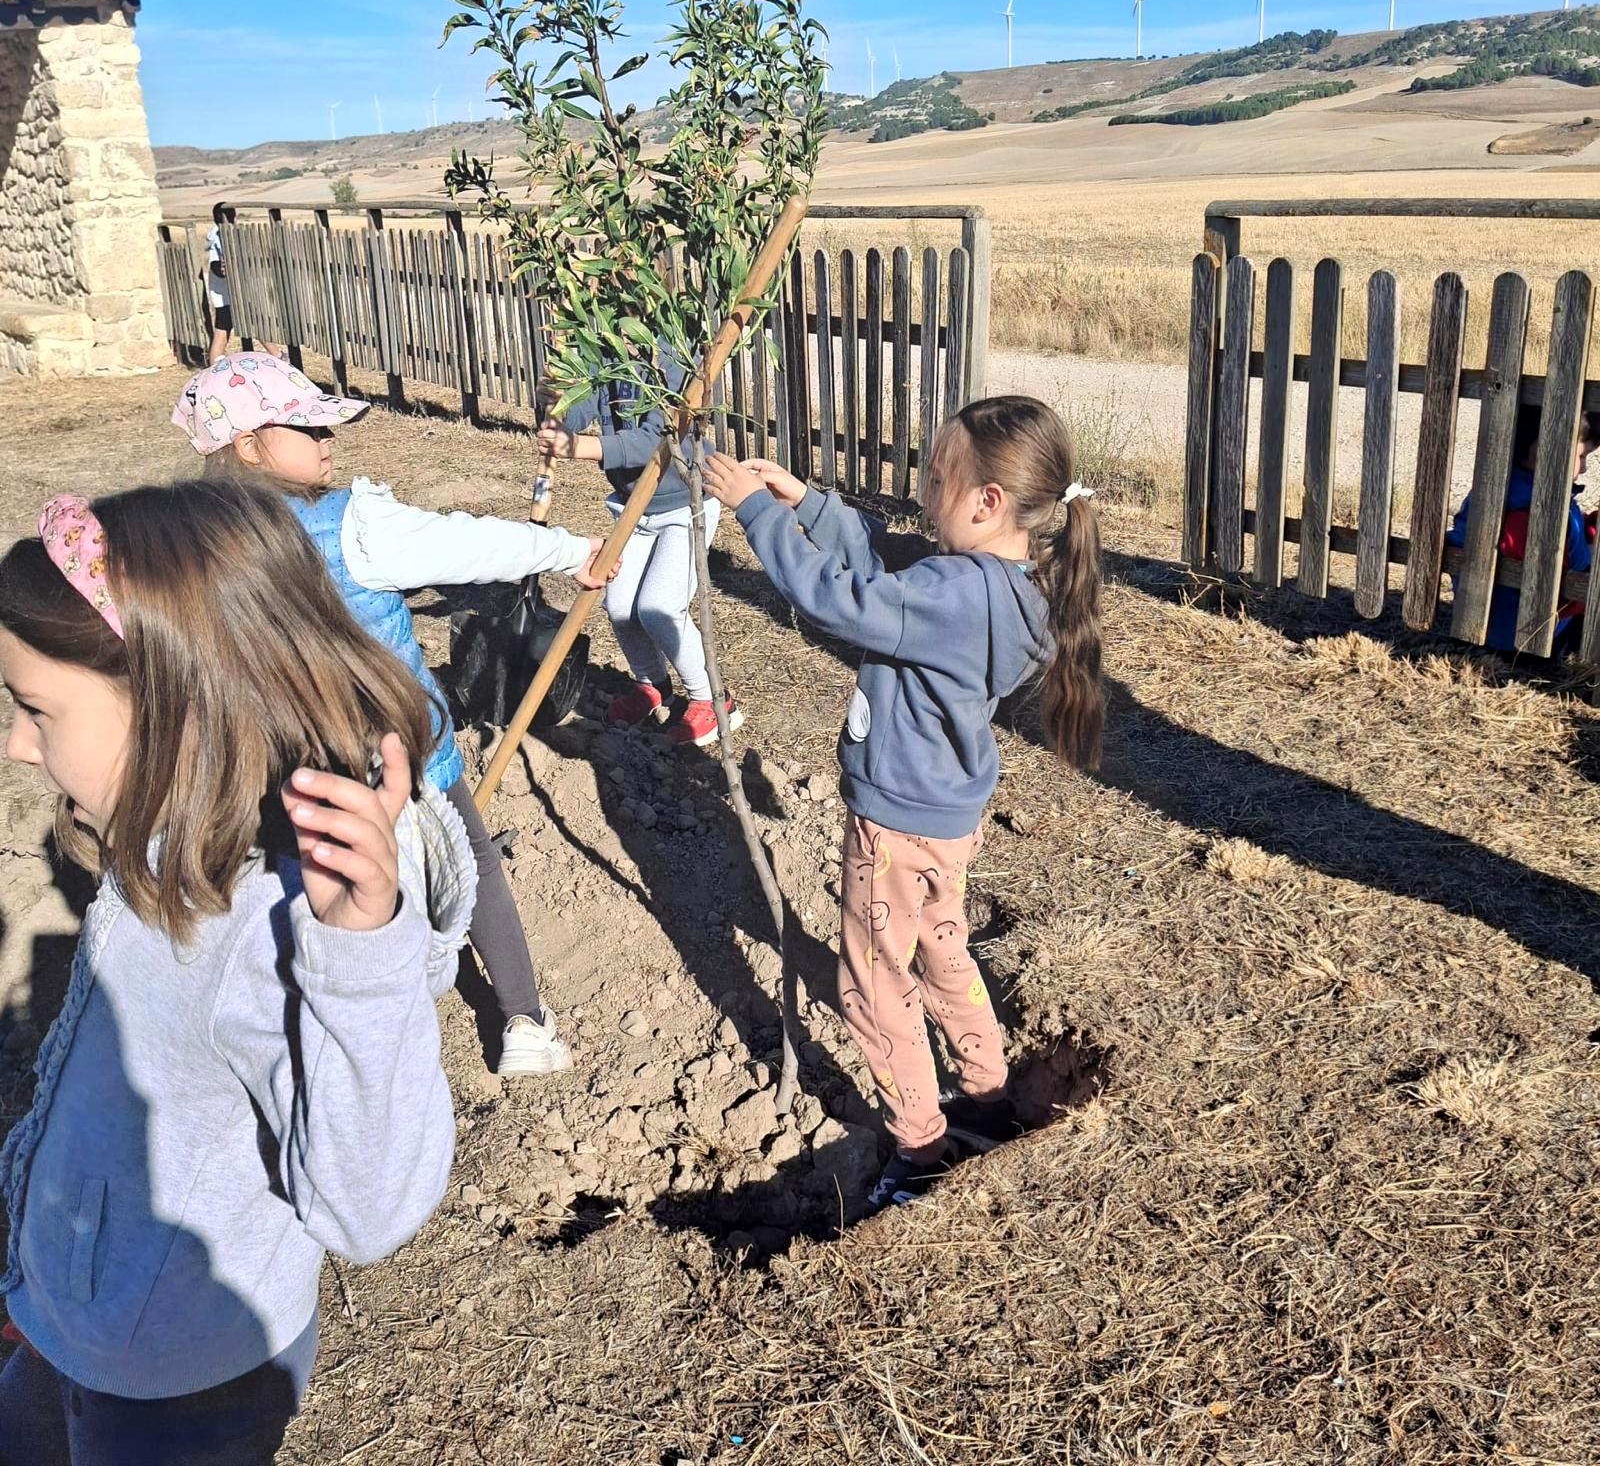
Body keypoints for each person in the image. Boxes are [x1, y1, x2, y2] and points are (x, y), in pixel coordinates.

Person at [0, 478, 476, 1463]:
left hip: (172, 1388)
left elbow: (370, 1207)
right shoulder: (176, 831)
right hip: (81, 1315)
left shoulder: (274, 920)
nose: (14, 742)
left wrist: (360, 955)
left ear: (180, 702)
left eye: (36, 710)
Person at [702, 394, 1104, 1212]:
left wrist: (756, 514)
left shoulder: (951, 597)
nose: (923, 494)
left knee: (874, 986)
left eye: (935, 479)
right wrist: (808, 504)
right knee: (942, 954)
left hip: (891, 825)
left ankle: (918, 1148)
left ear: (986, 502)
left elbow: (840, 599)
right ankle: (987, 1099)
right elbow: (886, 569)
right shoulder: (1014, 590)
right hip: (946, 822)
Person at [173, 354, 602, 1076]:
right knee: (475, 864)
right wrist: (571, 551)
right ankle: (524, 1020)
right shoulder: (352, 527)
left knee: (333, 890)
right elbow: (466, 542)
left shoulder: (204, 545)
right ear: (248, 445)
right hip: (405, 749)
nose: (326, 438)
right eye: (305, 426)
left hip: (295, 764)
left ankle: (342, 1031)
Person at [538, 379, 740, 748]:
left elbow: (657, 440)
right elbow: (583, 409)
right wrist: (560, 405)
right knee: (618, 603)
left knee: (658, 606)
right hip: (636, 509)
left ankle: (712, 700)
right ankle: (652, 685)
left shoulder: (669, 360)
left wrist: (581, 446)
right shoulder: (605, 357)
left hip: (685, 503)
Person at [1446, 407, 1599, 658]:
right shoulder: (1556, 512)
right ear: (1547, 451)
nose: (1584, 469)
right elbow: (1580, 572)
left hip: (1476, 624)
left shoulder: (1487, 495)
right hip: (1534, 639)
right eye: (1582, 456)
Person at [203, 220, 282, 363]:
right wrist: (224, 270)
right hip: (228, 293)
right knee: (253, 322)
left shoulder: (220, 233)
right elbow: (216, 264)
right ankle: (278, 356)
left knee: (224, 329)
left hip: (226, 292)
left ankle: (215, 366)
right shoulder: (219, 235)